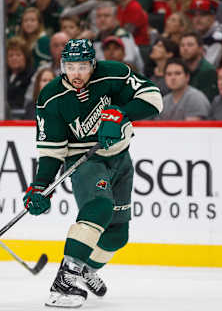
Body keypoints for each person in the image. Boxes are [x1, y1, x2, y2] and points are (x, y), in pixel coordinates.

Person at [23, 39, 162, 308]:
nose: (76, 74)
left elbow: (154, 99)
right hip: (84, 159)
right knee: (99, 208)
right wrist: (41, 186)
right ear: (62, 66)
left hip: (121, 156)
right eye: (70, 66)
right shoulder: (51, 98)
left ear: (93, 64)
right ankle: (64, 280)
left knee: (117, 234)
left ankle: (84, 267)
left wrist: (121, 114)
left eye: (83, 66)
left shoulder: (113, 73)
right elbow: (52, 151)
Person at [186, 0, 222, 67]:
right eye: (194, 15)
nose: (198, 19)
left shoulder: (218, 35)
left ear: (213, 16)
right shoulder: (195, 33)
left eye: (203, 15)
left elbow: (210, 65)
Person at [179, 31, 218, 102]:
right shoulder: (178, 69)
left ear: (200, 48)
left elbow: (207, 100)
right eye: (182, 45)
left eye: (190, 45)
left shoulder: (208, 71)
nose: (185, 48)